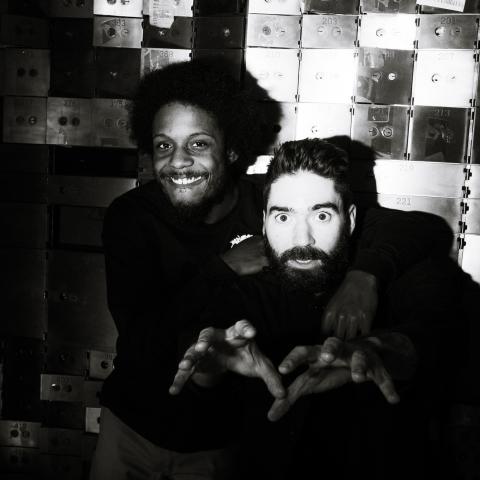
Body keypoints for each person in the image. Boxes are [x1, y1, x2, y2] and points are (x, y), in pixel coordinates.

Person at [89, 60, 455, 480]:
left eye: (199, 144)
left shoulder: (273, 206)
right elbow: (141, 337)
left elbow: (411, 228)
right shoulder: (132, 217)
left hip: (220, 443)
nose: (179, 162)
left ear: (230, 148)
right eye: (164, 146)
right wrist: (222, 268)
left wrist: (364, 276)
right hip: (134, 425)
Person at [171, 139, 469, 480]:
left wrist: (378, 350)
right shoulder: (243, 297)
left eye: (322, 214)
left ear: (351, 221)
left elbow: (436, 338)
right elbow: (196, 399)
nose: (303, 238)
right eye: (284, 216)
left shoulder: (406, 281)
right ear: (264, 225)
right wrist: (209, 368)